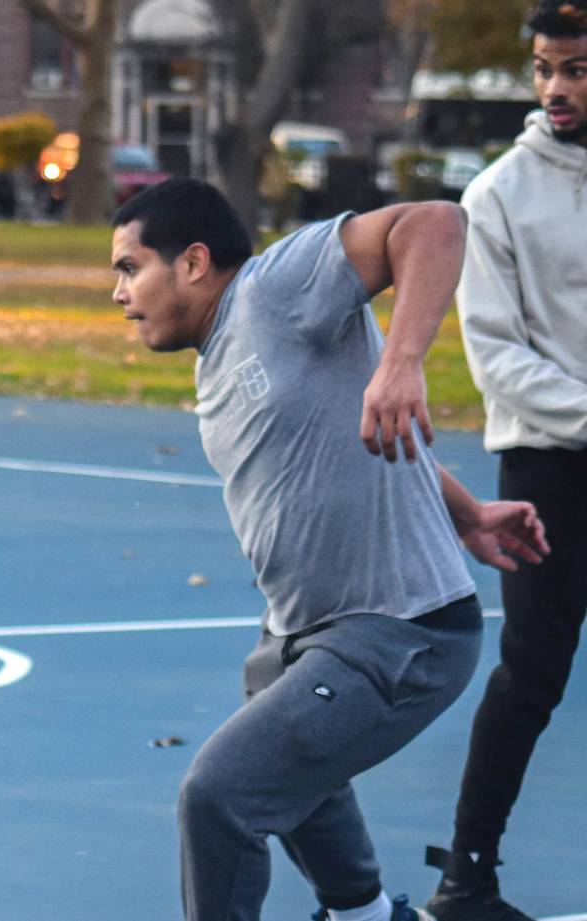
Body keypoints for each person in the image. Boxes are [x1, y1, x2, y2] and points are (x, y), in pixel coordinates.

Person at [107, 179, 549, 921]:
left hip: (400, 632)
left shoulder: (273, 289)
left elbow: (435, 222)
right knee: (283, 733)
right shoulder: (220, 359)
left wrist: (402, 361)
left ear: (192, 262)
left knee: (219, 797)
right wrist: (466, 513)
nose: (118, 293)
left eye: (129, 267)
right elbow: (345, 432)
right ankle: (367, 915)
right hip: (303, 635)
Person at [425, 3, 587, 917]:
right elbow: (497, 358)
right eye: (544, 68)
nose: (556, 87)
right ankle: (467, 875)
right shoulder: (496, 196)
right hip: (548, 466)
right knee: (533, 671)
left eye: (576, 70)